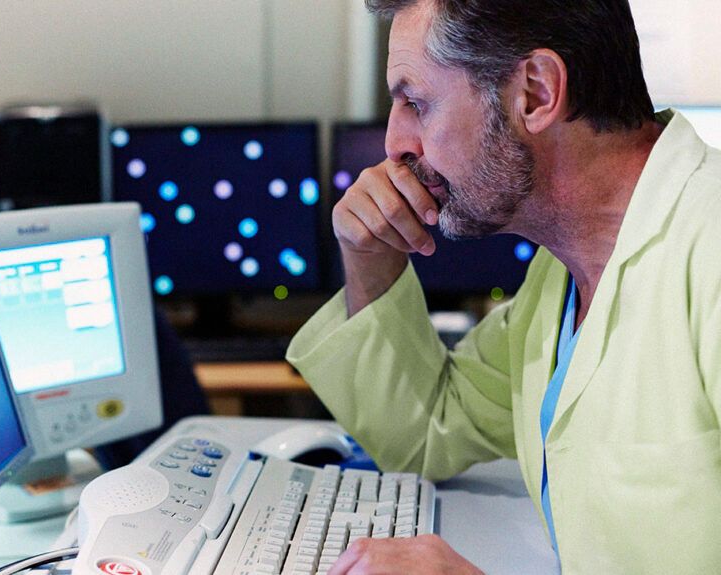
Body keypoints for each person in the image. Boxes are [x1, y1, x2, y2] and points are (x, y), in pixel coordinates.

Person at [286, 0, 721, 573]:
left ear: (535, 94)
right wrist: (369, 258)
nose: (395, 145)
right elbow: (426, 431)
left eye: (415, 102)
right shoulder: (559, 277)